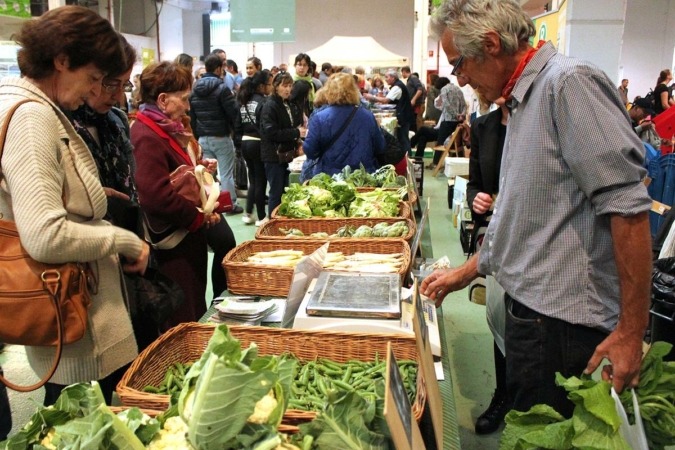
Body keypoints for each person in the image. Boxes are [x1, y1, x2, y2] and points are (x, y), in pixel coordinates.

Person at [422, 0, 652, 419]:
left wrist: (631, 332)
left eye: (459, 65)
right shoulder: (522, 101)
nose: (461, 79)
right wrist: (467, 271)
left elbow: (628, 210)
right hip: (535, 319)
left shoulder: (568, 84)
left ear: (490, 44)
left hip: (564, 328)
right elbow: (522, 214)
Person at [0, 5, 149, 405]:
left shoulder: (36, 108)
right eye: (94, 77)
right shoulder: (32, 117)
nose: (95, 91)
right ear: (62, 60)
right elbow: (46, 235)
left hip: (80, 318)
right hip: (76, 323)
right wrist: (124, 241)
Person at [131, 61, 222, 327]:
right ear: (162, 100)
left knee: (192, 307)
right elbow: (154, 195)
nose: (188, 106)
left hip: (185, 241)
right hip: (174, 247)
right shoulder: (146, 135)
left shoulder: (164, 129)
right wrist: (196, 219)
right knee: (183, 317)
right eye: (183, 99)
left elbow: (176, 172)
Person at [466, 97, 510, 434]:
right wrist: (476, 199)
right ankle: (503, 397)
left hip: (542, 244)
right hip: (498, 238)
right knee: (499, 317)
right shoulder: (484, 126)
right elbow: (475, 184)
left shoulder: (537, 122)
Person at [301, 72, 386, 180]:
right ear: (354, 90)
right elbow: (380, 147)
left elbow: (310, 151)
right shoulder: (367, 116)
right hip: (362, 178)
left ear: (329, 91)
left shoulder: (320, 117)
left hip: (330, 178)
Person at [189, 54, 243, 214]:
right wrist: (236, 132)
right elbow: (234, 113)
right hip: (221, 137)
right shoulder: (222, 88)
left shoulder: (195, 89)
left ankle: (209, 204)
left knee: (206, 174)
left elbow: (192, 116)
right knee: (226, 173)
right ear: (219, 68)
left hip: (203, 138)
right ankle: (229, 204)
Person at [260, 72, 306, 220]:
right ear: (276, 86)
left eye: (290, 85)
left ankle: (281, 220)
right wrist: (296, 132)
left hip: (287, 155)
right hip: (273, 156)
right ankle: (272, 222)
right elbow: (271, 132)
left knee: (285, 192)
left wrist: (298, 141)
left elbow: (293, 125)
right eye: (284, 85)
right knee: (276, 192)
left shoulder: (289, 103)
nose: (288, 89)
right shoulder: (270, 105)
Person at [235, 70, 273, 226]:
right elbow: (264, 126)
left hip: (245, 142)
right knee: (260, 181)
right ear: (262, 86)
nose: (271, 87)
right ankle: (262, 217)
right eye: (270, 84)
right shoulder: (263, 102)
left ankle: (248, 213)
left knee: (253, 180)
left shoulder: (244, 101)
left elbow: (237, 125)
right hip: (258, 142)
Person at [363, 69, 414, 156]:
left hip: (403, 116)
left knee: (403, 139)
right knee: (402, 138)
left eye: (387, 77)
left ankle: (407, 160)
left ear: (393, 77)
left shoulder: (397, 87)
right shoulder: (397, 85)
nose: (385, 79)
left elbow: (386, 100)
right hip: (403, 115)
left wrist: (371, 97)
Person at [402, 66, 425, 131]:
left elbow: (420, 89)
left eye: (402, 73)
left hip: (416, 105)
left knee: (415, 123)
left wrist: (413, 100)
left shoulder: (413, 78)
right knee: (413, 122)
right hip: (413, 105)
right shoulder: (411, 79)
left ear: (404, 72)